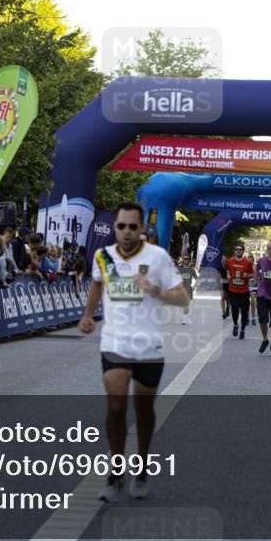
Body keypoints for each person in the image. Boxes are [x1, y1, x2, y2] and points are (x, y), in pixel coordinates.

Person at [78, 202, 188, 502]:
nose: (126, 232)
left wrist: (156, 291)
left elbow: (182, 298)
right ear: (115, 228)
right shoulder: (104, 256)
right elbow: (97, 286)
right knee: (115, 406)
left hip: (149, 347)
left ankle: (140, 466)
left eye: (132, 227)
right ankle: (115, 471)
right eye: (121, 226)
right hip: (115, 344)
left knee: (143, 410)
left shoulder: (158, 258)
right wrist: (88, 315)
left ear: (142, 230)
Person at [225, 243, 254, 339]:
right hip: (233, 290)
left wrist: (248, 276)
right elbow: (228, 270)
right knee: (235, 309)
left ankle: (242, 330)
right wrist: (228, 275)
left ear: (243, 251)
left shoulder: (248, 262)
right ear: (234, 251)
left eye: (240, 249)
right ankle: (235, 325)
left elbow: (252, 274)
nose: (238, 251)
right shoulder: (230, 261)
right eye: (237, 249)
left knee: (245, 312)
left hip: (244, 291)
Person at [176, 252, 197, 325]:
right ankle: (186, 316)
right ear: (183, 260)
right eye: (185, 259)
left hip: (188, 289)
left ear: (189, 260)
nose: (186, 260)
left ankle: (184, 318)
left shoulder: (191, 270)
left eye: (187, 259)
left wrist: (194, 286)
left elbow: (197, 279)